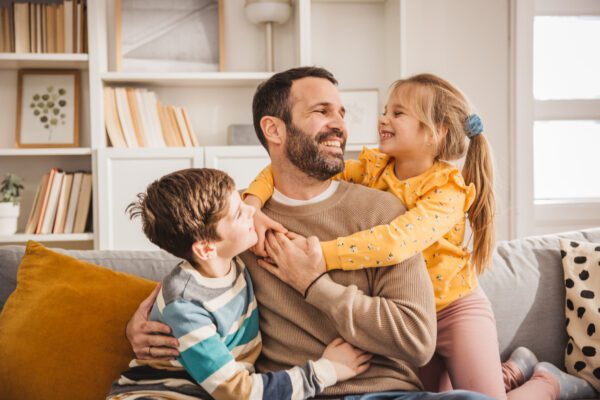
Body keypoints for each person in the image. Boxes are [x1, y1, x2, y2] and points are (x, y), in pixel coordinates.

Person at [125, 67, 493, 400]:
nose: (339, 125)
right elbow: (189, 283)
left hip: (384, 391)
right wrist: (135, 326)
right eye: (322, 112)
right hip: (295, 392)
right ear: (274, 129)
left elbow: (417, 341)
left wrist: (315, 285)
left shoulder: (388, 213)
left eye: (341, 113)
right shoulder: (238, 221)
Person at [243, 73, 597, 400]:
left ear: (435, 132)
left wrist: (320, 258)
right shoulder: (374, 170)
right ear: (274, 129)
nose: (382, 119)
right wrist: (250, 205)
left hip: (453, 308)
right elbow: (275, 171)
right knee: (446, 396)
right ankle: (512, 371)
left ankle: (546, 383)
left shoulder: (446, 191)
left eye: (398, 113)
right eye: (385, 111)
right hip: (414, 315)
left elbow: (396, 242)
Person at [106, 168, 372, 400]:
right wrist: (327, 370)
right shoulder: (186, 306)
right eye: (238, 213)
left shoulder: (232, 259)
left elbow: (265, 179)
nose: (251, 210)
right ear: (206, 249)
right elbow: (240, 393)